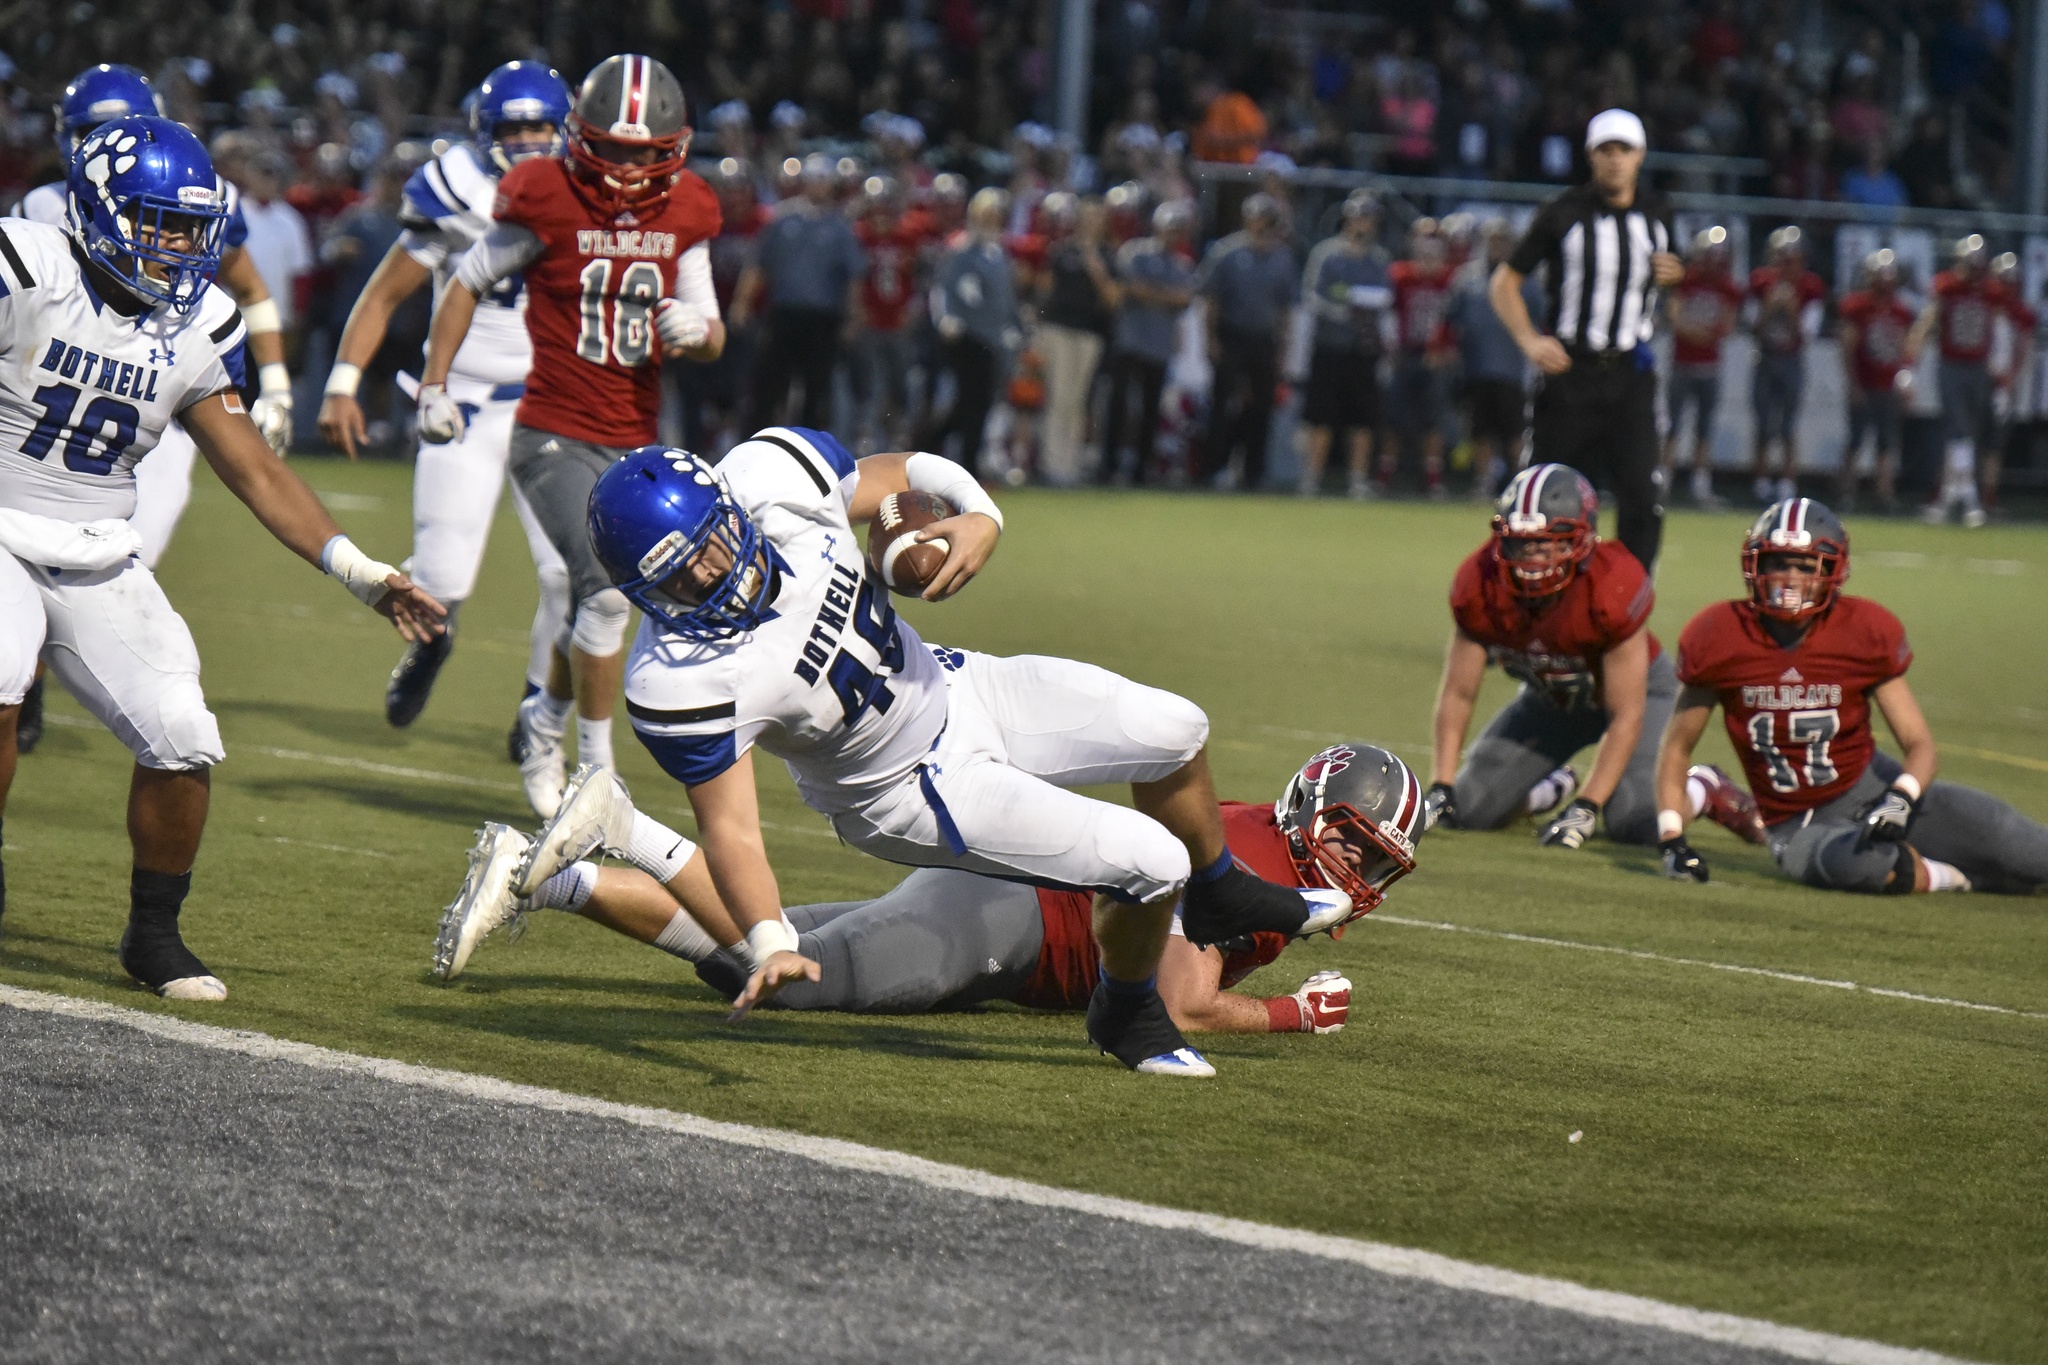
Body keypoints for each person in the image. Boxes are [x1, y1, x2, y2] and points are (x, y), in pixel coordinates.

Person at [561, 432, 1346, 1076]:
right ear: (644, 595)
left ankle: (1218, 888)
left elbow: (902, 471)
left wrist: (980, 513)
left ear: (729, 501)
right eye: (682, 573)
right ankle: (1127, 1007)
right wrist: (767, 936)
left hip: (959, 684)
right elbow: (732, 829)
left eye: (713, 541)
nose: (714, 570)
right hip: (908, 788)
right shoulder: (679, 681)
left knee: (1176, 725)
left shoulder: (772, 477)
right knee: (1148, 859)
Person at [0, 117, 442, 997]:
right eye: (158, 224)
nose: (177, 248)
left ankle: (153, 932)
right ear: (99, 209)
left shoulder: (197, 319)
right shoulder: (28, 267)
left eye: (189, 229)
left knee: (182, 731)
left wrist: (361, 571)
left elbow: (253, 466)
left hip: (98, 547)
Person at [438, 742, 1428, 1041]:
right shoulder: (1251, 867)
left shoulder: (1254, 838)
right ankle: (628, 829)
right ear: (1311, 817)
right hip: (1003, 921)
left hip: (1002, 906)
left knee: (754, 944)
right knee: (786, 980)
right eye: (1353, 848)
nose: (1359, 876)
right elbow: (1171, 1003)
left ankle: (549, 877)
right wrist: (1287, 1017)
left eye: (1377, 864)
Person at [414, 55, 725, 818]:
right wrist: (434, 383)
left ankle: (542, 720)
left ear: (671, 149)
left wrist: (700, 330)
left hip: (635, 438)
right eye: (610, 149)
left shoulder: (687, 210)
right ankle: (596, 773)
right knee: (607, 594)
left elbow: (714, 329)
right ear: (580, 139)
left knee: (606, 597)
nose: (622, 168)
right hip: (551, 431)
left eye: (639, 152)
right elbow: (465, 281)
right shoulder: (547, 194)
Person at [316, 63, 577, 737]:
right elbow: (383, 293)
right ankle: (433, 641)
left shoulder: (587, 190)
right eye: (513, 126)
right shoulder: (454, 187)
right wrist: (344, 381)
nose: (526, 140)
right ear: (485, 131)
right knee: (441, 574)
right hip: (461, 401)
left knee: (567, 576)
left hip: (554, 404)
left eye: (539, 126)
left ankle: (538, 705)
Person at [1655, 499, 2048, 894]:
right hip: (1799, 824)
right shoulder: (1720, 636)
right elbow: (1677, 748)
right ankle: (1964, 879)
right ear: (1755, 565)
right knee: (1864, 866)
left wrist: (1901, 797)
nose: (1790, 579)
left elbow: (1919, 744)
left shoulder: (1863, 630)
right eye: (1778, 563)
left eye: (1805, 566)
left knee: (2025, 848)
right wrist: (1671, 839)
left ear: (1832, 571)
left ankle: (1979, 867)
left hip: (1876, 788)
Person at [1425, 464, 1763, 851]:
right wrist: (1442, 784)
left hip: (1637, 696)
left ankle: (1704, 788)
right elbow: (1458, 693)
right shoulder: (1481, 582)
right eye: (1523, 542)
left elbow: (1626, 714)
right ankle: (1548, 790)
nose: (1534, 556)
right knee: (1468, 809)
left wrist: (1587, 806)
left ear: (1582, 540)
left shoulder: (1611, 583)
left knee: (1634, 821)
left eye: (1551, 541)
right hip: (1552, 699)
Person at [1490, 109, 1680, 572]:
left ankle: (1629, 608)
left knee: (1643, 496)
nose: (1615, 161)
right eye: (1606, 151)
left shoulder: (1659, 215)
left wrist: (1676, 278)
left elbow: (1663, 292)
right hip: (1570, 371)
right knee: (1544, 494)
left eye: (1624, 150)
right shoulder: (1564, 214)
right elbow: (1504, 282)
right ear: (1591, 157)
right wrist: (1530, 341)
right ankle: (1531, 599)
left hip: (1631, 375)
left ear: (1640, 157)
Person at [737, 153, 866, 431]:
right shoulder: (781, 219)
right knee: (769, 385)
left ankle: (810, 450)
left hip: (823, 317)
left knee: (817, 389)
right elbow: (759, 266)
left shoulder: (841, 227)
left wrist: (854, 316)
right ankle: (755, 442)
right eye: (813, 180)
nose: (818, 187)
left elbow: (853, 278)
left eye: (823, 181)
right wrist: (742, 303)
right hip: (784, 313)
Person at [1197, 193, 1296, 491]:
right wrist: (1211, 339)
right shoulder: (1226, 252)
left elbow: (1285, 309)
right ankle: (1213, 468)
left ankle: (1254, 472)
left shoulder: (1282, 256)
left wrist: (1283, 347)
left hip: (1264, 339)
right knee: (1222, 404)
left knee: (1262, 407)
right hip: (1232, 334)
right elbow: (1211, 300)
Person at [1296, 188, 1390, 499]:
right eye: (1358, 217)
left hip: (1363, 347)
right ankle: (1312, 477)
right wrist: (1341, 307)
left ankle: (1357, 479)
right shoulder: (1328, 255)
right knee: (1321, 415)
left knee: (1361, 418)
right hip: (1330, 344)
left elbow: (1384, 300)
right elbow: (1313, 296)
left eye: (1368, 218)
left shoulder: (1378, 259)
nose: (1363, 224)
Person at [921, 187, 1019, 476]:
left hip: (992, 337)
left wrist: (1016, 326)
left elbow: (1006, 297)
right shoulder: (962, 247)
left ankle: (941, 455)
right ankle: (961, 464)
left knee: (977, 405)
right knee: (970, 405)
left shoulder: (998, 252)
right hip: (967, 336)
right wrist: (946, 318)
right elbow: (943, 287)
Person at [1908, 235, 2003, 527]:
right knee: (1959, 430)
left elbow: (1999, 331)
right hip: (1952, 365)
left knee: (1964, 435)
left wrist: (2000, 371)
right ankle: (1970, 500)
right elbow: (1927, 322)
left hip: (1978, 366)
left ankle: (1949, 496)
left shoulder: (1991, 291)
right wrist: (1910, 365)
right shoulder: (1946, 287)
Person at [1100, 199, 1196, 485]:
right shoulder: (1136, 252)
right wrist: (1162, 295)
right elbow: (1129, 288)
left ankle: (1141, 468)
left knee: (1150, 409)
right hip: (1130, 340)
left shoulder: (1181, 263)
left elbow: (1183, 299)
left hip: (1158, 345)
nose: (1174, 235)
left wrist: (1149, 293)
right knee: (1117, 405)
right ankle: (1109, 464)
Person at [1034, 195, 1120, 487]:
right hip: (1059, 330)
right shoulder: (1062, 251)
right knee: (1059, 396)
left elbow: (1113, 300)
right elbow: (1045, 288)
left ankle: (1069, 464)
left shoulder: (1108, 255)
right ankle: (1054, 464)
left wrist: (1095, 266)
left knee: (1078, 400)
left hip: (1089, 333)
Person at [1452, 219, 1538, 504]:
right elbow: (1452, 319)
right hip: (1476, 366)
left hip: (1512, 368)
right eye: (1493, 240)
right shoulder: (1468, 278)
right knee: (1481, 430)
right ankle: (1483, 481)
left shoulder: (1525, 281)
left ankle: (1519, 487)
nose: (1498, 246)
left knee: (1515, 432)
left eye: (1504, 241)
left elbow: (1541, 320)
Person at [1745, 226, 1827, 506]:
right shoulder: (1760, 282)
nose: (1785, 266)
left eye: (1791, 259)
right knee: (1763, 423)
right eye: (1781, 258)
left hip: (1792, 359)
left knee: (1789, 425)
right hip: (1765, 356)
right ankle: (1761, 482)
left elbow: (1805, 335)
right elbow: (1753, 328)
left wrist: (1791, 310)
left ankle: (1787, 483)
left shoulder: (1811, 287)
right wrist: (1769, 308)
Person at [1663, 226, 1743, 508]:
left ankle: (1700, 486)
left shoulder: (1728, 287)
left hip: (1709, 367)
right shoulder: (1686, 281)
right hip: (1683, 364)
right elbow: (1675, 319)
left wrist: (1697, 332)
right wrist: (1701, 333)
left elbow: (1728, 326)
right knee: (1671, 426)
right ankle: (1663, 481)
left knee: (1704, 430)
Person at [1834, 249, 1916, 512]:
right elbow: (1848, 347)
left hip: (1888, 384)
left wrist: (1905, 378)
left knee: (1887, 443)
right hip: (1866, 382)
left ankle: (1884, 494)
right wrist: (1853, 383)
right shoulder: (1857, 307)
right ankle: (1846, 492)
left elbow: (1903, 349)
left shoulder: (1900, 310)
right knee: (1855, 441)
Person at [850, 174, 925, 454]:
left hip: (898, 320)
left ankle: (898, 435)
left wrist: (913, 308)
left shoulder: (909, 235)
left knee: (901, 382)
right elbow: (850, 280)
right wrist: (856, 311)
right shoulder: (858, 235)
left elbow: (920, 278)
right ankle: (868, 434)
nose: (881, 214)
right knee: (870, 382)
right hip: (869, 319)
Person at [1386, 217, 1457, 498]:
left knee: (1433, 420)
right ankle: (1385, 475)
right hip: (1405, 354)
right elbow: (1388, 314)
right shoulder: (1400, 275)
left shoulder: (1451, 279)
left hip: (1437, 357)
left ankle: (1432, 478)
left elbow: (1456, 321)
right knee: (1394, 418)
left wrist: (1446, 350)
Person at [1985, 251, 2036, 517]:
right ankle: (1958, 492)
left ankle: (1987, 494)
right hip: (1980, 378)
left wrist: (2010, 379)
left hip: (2003, 382)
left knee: (1994, 442)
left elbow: (2023, 349)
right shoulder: (1983, 305)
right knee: (1965, 437)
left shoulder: (2019, 314)